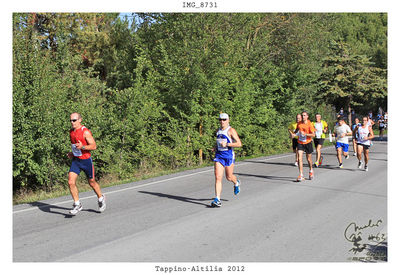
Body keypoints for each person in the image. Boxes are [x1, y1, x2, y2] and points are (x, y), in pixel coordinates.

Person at [67, 112, 106, 215]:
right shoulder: (71, 132)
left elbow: (93, 146)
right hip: (76, 160)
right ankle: (77, 204)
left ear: (80, 120)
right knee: (71, 182)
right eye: (70, 120)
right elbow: (76, 147)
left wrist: (83, 147)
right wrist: (72, 153)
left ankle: (101, 198)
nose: (72, 122)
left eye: (74, 120)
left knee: (92, 182)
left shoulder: (85, 132)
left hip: (86, 161)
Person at [211, 113, 242, 207]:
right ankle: (217, 199)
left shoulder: (231, 130)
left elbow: (239, 144)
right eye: (220, 120)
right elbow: (218, 142)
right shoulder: (218, 131)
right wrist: (215, 147)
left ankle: (236, 182)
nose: (222, 121)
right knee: (218, 177)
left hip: (228, 156)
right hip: (219, 156)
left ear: (228, 120)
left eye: (224, 119)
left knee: (229, 177)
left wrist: (227, 145)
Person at [290, 111, 315, 182]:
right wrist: (293, 134)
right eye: (302, 115)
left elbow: (313, 135)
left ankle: (311, 170)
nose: (303, 117)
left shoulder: (310, 124)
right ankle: (301, 174)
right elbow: (297, 131)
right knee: (300, 158)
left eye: (304, 115)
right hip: (300, 143)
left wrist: (306, 134)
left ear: (307, 116)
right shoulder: (299, 123)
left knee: (309, 159)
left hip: (308, 142)